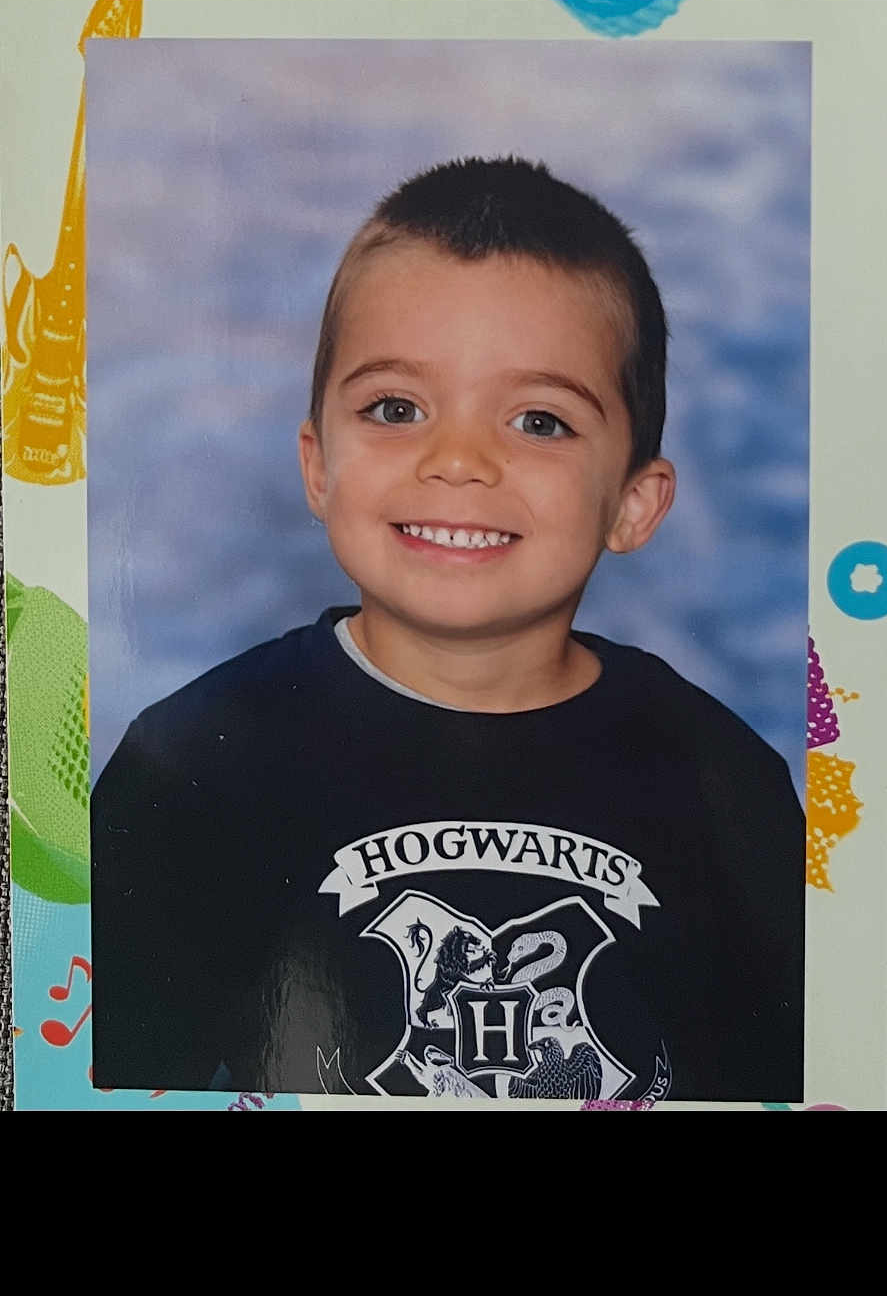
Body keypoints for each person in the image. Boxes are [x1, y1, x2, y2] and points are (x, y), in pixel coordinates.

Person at [90, 155, 805, 1103]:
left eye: (539, 421)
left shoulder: (723, 781)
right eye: (396, 409)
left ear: (633, 503)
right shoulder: (191, 766)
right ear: (318, 467)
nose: (457, 459)